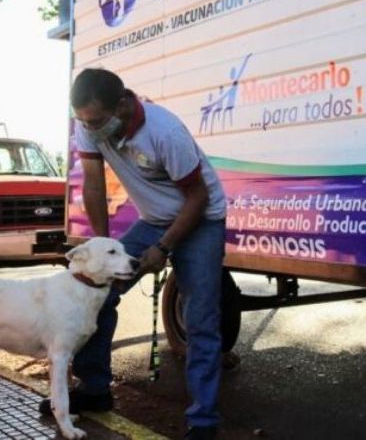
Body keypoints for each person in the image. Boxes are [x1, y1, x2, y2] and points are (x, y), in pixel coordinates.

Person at [39, 68, 227, 440]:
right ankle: (94, 389)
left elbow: (198, 198)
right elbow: (93, 184)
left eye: (96, 120)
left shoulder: (164, 132)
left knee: (201, 317)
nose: (89, 129)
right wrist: (101, 253)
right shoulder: (88, 126)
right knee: (98, 294)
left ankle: (203, 420)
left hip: (201, 219)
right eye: (82, 120)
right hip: (155, 218)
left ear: (123, 104)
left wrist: (163, 247)